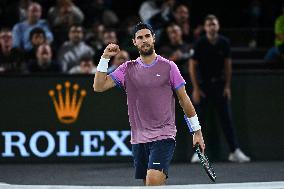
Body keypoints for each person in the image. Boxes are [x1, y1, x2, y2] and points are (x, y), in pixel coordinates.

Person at [93, 22, 205, 186]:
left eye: (147, 36)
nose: (144, 40)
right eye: (140, 37)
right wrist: (104, 58)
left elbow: (184, 99)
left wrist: (197, 131)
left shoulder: (169, 67)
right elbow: (99, 86)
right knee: (151, 184)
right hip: (138, 139)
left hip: (164, 136)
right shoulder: (127, 68)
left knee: (153, 181)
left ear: (153, 38)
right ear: (134, 42)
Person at [189, 15, 250, 163]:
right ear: (205, 27)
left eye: (214, 24)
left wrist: (227, 86)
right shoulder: (199, 43)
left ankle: (234, 151)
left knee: (226, 120)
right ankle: (199, 152)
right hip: (203, 86)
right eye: (209, 24)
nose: (212, 27)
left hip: (220, 86)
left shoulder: (224, 42)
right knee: (199, 121)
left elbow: (228, 65)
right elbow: (192, 66)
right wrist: (196, 88)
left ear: (218, 26)